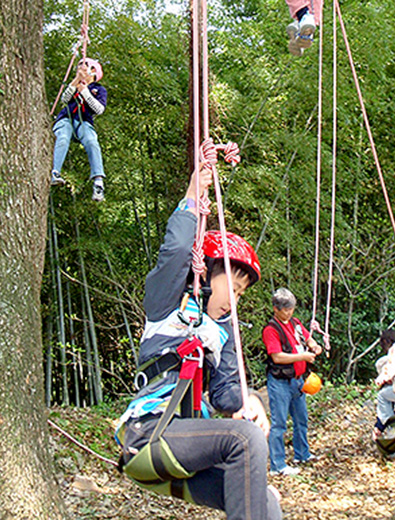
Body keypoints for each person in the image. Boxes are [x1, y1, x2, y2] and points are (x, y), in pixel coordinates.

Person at [114, 165, 281, 520]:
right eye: (231, 289)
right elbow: (175, 250)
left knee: (267, 501)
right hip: (150, 433)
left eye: (241, 294)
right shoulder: (166, 306)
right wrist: (193, 195)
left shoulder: (223, 333)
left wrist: (251, 400)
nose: (234, 300)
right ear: (205, 274)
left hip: (189, 446)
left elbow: (226, 391)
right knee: (244, 439)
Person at [262, 288, 322, 476]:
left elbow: (308, 337)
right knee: (279, 423)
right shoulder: (271, 330)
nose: (289, 312)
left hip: (298, 381)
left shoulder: (295, 324)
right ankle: (277, 465)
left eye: (291, 308)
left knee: (301, 419)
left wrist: (314, 345)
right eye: (285, 309)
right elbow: (277, 356)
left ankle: (302, 454)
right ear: (276, 309)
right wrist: (301, 356)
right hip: (280, 382)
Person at [50, 57, 107, 201]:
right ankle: (55, 171)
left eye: (84, 65)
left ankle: (98, 181)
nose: (80, 68)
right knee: (62, 138)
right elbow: (64, 99)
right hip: (67, 119)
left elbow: (99, 109)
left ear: (93, 71)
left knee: (91, 141)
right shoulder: (74, 85)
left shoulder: (98, 89)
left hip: (84, 121)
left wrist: (85, 92)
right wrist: (76, 82)